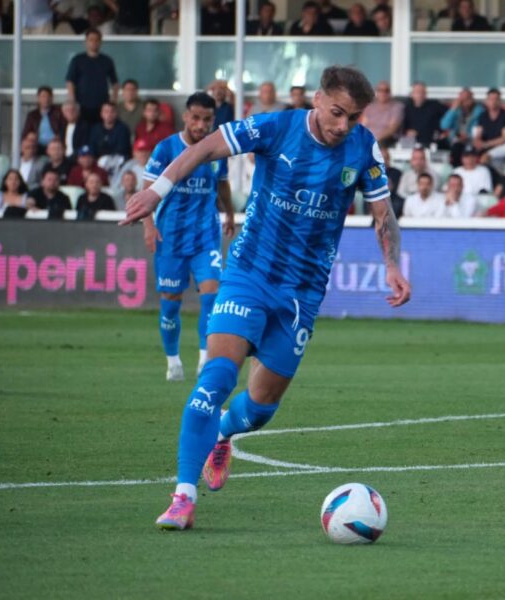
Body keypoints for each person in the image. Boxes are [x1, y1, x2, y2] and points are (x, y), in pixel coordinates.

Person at [120, 66, 410, 531]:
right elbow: (205, 148)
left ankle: (223, 433)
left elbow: (383, 212)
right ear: (317, 100)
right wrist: (157, 191)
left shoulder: (362, 148)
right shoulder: (276, 127)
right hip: (249, 274)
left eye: (353, 117)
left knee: (260, 408)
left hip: (302, 293)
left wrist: (392, 265)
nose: (343, 125)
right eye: (337, 113)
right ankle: (182, 497)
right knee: (216, 378)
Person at [140, 92, 235, 382]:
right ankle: (173, 361)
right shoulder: (166, 149)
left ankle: (205, 358)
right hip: (170, 237)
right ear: (185, 117)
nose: (201, 125)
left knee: (212, 294)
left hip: (205, 236)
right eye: (196, 118)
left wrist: (230, 214)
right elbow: (147, 190)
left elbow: (222, 185)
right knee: (170, 303)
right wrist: (148, 225)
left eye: (207, 119)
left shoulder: (217, 150)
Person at [65, 28, 119, 129]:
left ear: (100, 42)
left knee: (99, 132)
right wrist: (72, 101)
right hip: (82, 105)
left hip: (102, 106)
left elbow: (115, 83)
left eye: (96, 40)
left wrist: (113, 101)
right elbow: (70, 82)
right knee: (82, 132)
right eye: (91, 40)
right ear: (86, 42)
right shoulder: (77, 60)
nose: (94, 42)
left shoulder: (107, 60)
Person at [440, 88, 484, 166]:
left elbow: (478, 128)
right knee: (441, 143)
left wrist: (468, 136)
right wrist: (453, 109)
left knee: (458, 147)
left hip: (470, 140)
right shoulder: (456, 110)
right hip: (454, 140)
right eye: (462, 99)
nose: (464, 101)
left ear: (472, 99)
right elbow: (444, 126)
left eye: (467, 98)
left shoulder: (479, 111)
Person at [472, 88, 505, 165]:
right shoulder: (482, 115)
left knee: (486, 157)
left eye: (496, 99)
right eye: (491, 99)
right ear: (486, 101)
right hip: (485, 145)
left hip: (501, 146)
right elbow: (478, 133)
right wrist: (477, 141)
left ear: (500, 101)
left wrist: (486, 144)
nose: (493, 102)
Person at [23, 86, 66, 153]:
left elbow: (64, 129)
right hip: (37, 145)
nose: (46, 99)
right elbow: (26, 132)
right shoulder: (32, 115)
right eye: (43, 96)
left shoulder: (59, 113)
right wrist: (31, 136)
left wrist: (58, 136)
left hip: (54, 145)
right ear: (38, 98)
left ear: (52, 98)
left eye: (48, 96)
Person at [402, 82, 446, 148]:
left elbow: (450, 115)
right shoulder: (406, 108)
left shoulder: (435, 105)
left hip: (431, 141)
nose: (420, 95)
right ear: (412, 94)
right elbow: (402, 126)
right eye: (417, 92)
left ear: (426, 94)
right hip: (411, 142)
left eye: (422, 92)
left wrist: (446, 133)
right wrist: (406, 132)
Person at [90, 101, 133, 168]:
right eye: (106, 111)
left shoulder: (123, 129)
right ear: (101, 114)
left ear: (116, 113)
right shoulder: (95, 129)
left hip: (117, 162)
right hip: (98, 162)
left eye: (112, 111)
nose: (109, 114)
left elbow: (122, 149)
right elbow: (92, 147)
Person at [361, 81, 404, 145]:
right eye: (380, 90)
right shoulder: (370, 107)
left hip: (385, 139)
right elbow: (363, 125)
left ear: (390, 93)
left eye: (386, 91)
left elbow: (392, 129)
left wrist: (376, 138)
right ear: (376, 92)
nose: (383, 93)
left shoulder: (397, 107)